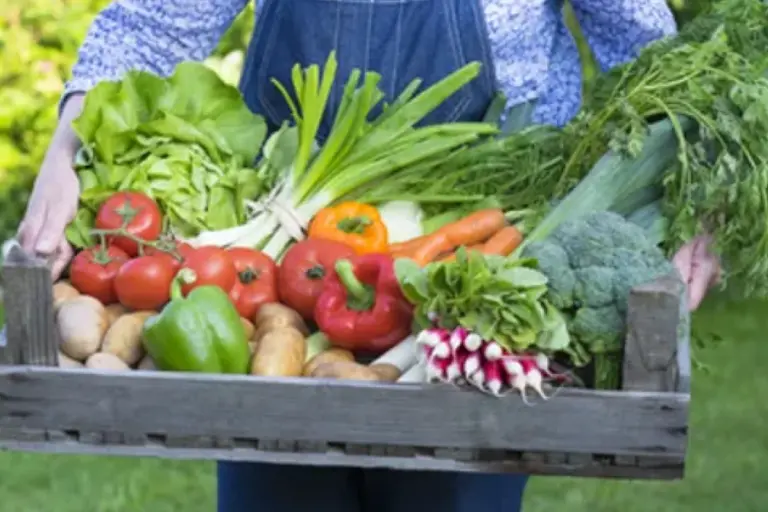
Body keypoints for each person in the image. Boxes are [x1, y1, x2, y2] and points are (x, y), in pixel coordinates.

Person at [17, 1, 718, 511]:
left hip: (479, 271)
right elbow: (151, 21)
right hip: (291, 273)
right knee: (278, 480)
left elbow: (645, 45)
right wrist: (64, 149)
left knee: (454, 491)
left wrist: (698, 193)